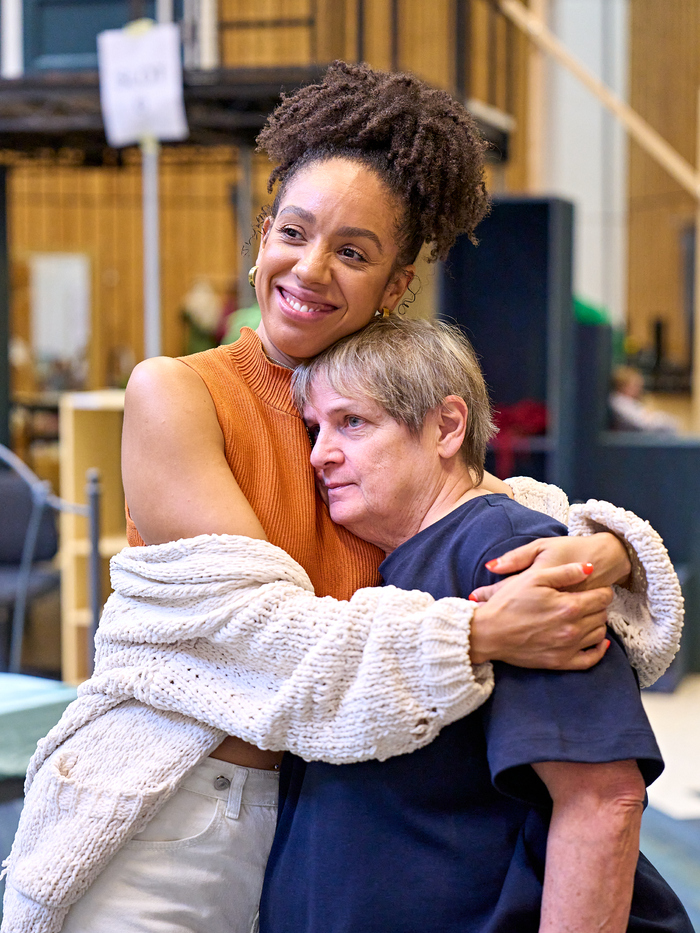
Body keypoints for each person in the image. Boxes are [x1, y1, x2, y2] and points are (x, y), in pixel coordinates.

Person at [1, 63, 682, 933]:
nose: (311, 268)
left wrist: (607, 551)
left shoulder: (377, 421)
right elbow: (268, 639)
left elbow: (506, 513)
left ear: (396, 285)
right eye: (294, 230)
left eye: (354, 251)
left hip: (311, 825)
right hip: (173, 813)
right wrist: (479, 629)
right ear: (262, 235)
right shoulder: (175, 392)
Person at [260, 316, 692, 933]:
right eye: (315, 427)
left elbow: (601, 799)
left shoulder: (507, 550)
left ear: (446, 426)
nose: (319, 453)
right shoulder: (401, 563)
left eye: (352, 422)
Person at [609, 365, 679, 433]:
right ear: (623, 386)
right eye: (635, 385)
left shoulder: (628, 401)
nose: (639, 389)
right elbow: (644, 424)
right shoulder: (619, 402)